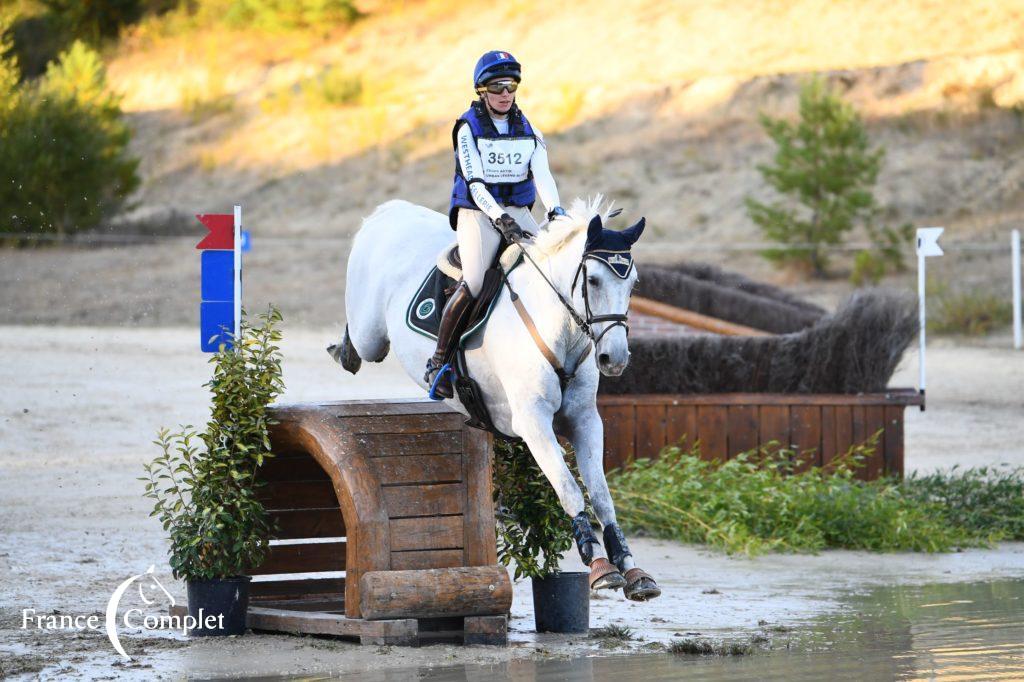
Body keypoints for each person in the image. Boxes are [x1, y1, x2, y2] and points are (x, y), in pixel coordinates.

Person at [424, 50, 566, 398]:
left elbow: (542, 175)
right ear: (482, 91)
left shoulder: (529, 128)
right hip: (478, 212)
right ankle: (438, 362)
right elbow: (474, 183)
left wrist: (556, 212)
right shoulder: (467, 127)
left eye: (512, 86)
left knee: (552, 268)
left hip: (517, 209)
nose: (506, 94)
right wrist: (497, 217)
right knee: (473, 281)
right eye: (497, 87)